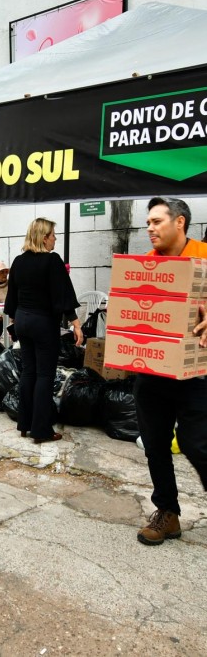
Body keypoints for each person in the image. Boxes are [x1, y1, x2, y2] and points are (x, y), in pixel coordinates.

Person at [134, 196, 207, 546]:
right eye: (148, 222)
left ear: (179, 223)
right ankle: (168, 513)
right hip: (152, 371)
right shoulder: (145, 265)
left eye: (157, 221)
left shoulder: (204, 257)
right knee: (155, 443)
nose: (149, 228)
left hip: (197, 373)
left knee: (197, 443)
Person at [4, 218, 83, 443]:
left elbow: (12, 297)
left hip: (22, 321)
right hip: (42, 323)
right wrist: (76, 324)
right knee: (44, 375)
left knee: (28, 372)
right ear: (44, 237)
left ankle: (24, 423)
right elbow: (64, 295)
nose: (55, 239)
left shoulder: (19, 261)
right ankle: (41, 430)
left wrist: (14, 320)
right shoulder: (52, 261)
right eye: (53, 235)